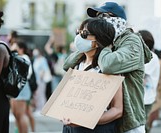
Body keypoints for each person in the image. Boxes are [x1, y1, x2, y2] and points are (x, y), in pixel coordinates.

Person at [63, 2, 152, 133]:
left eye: (103, 16)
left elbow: (108, 66)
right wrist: (90, 44)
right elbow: (68, 64)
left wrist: (104, 43)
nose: (99, 20)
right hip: (107, 122)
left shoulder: (131, 41)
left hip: (128, 120)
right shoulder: (102, 43)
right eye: (97, 17)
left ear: (117, 20)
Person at [62, 18, 123, 133]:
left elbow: (117, 109)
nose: (78, 37)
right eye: (78, 32)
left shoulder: (108, 69)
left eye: (84, 34)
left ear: (98, 41)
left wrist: (87, 120)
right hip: (70, 128)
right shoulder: (76, 65)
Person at [138, 30, 160, 133]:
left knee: (142, 127)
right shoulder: (144, 55)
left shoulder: (151, 56)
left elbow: (139, 72)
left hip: (146, 99)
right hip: (142, 98)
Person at [11, 40, 33, 133]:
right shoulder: (17, 57)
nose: (13, 49)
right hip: (16, 87)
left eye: (15, 47)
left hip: (22, 86)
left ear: (21, 49)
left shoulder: (24, 57)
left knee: (21, 114)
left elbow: (28, 73)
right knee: (16, 114)